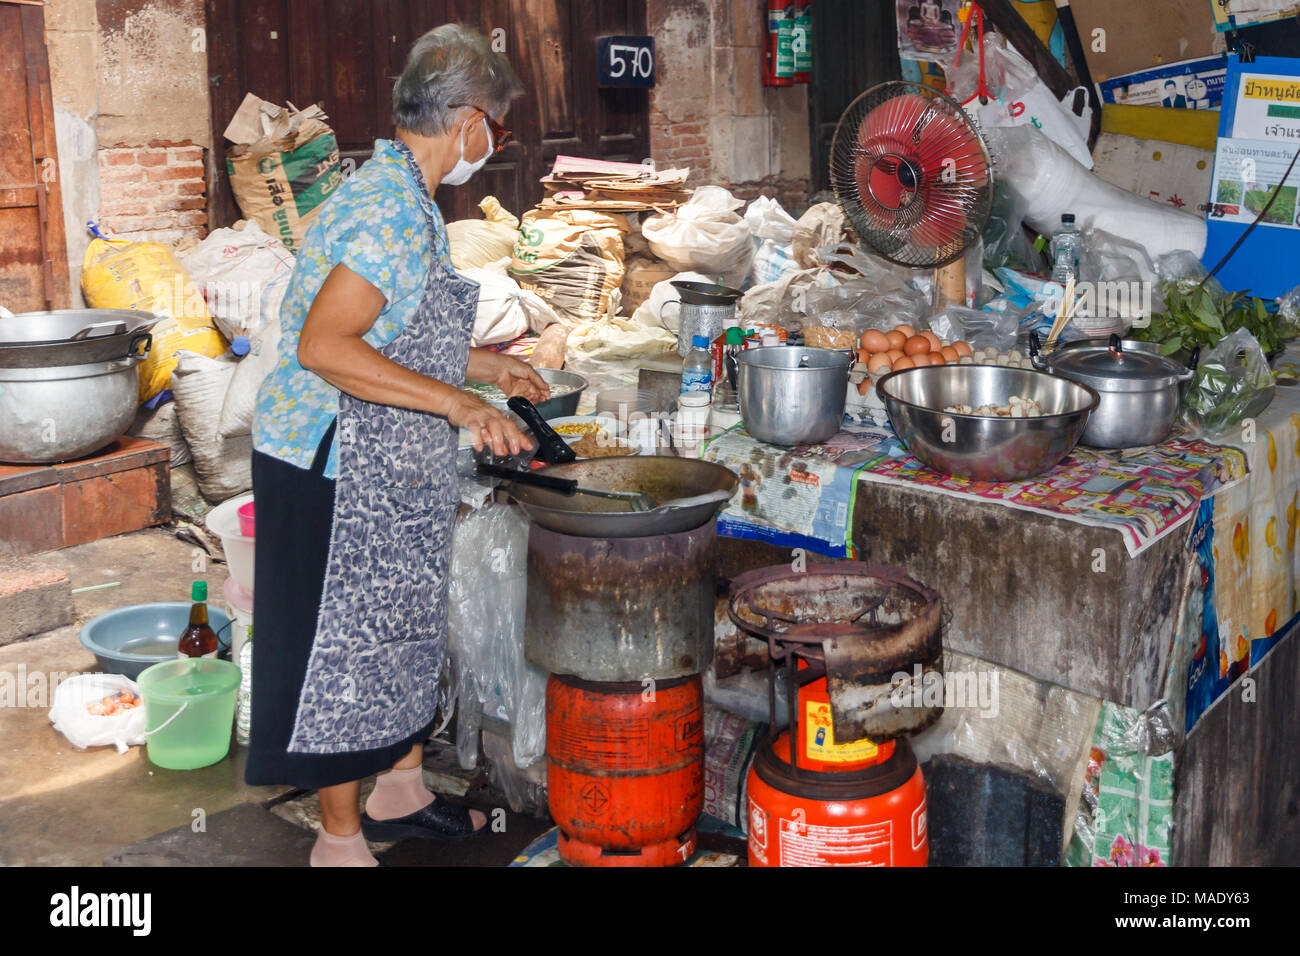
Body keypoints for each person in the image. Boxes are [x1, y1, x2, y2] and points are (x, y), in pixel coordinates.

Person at [247, 23, 547, 867]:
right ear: (468, 121)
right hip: (328, 459)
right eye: (498, 128)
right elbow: (328, 347)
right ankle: (338, 841)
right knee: (341, 652)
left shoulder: (400, 191)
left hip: (380, 456)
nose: (492, 145)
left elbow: (397, 333)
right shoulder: (387, 209)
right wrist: (457, 402)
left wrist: (487, 365)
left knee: (392, 633)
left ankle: (399, 790)